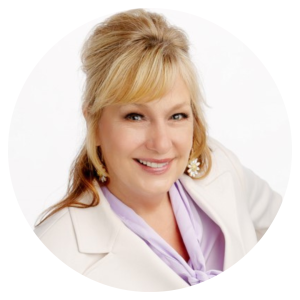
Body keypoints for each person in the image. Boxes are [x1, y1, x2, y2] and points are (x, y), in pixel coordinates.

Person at [34, 9, 282, 292]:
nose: (162, 144)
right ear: (94, 122)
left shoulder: (221, 166)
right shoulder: (57, 251)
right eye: (135, 117)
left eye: (177, 116)